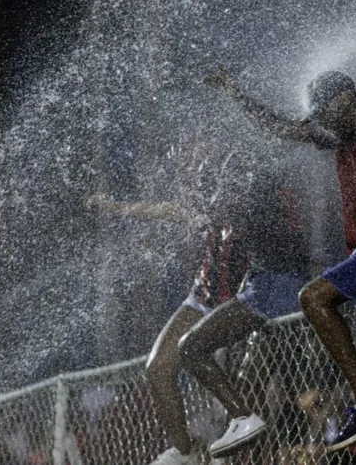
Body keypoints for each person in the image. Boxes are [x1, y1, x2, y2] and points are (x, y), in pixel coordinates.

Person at [205, 66, 356, 453]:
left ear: (345, 101)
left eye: (325, 113)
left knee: (312, 298)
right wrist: (235, 91)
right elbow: (280, 128)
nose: (322, 123)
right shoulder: (340, 139)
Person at [88, 162, 311, 462]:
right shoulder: (203, 206)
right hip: (202, 297)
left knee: (248, 386)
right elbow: (163, 209)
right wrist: (115, 207)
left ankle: (253, 452)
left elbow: (279, 252)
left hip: (242, 298)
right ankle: (185, 453)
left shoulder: (253, 208)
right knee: (157, 369)